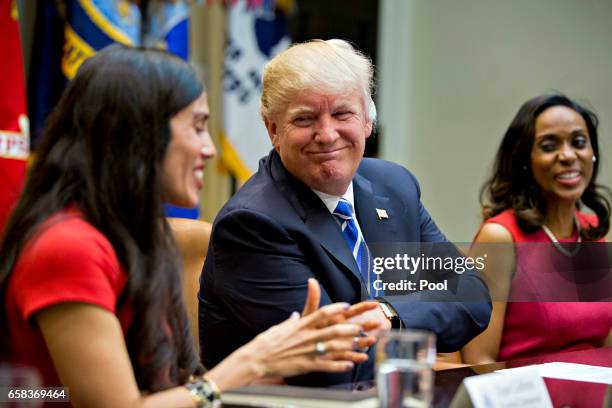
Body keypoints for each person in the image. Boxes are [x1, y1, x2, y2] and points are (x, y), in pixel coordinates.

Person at [0, 45, 381, 408]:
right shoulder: (69, 246)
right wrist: (253, 362)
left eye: (343, 114)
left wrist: (271, 369)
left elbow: (175, 387)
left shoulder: (135, 235)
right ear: (140, 136)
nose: (209, 148)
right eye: (197, 127)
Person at [200, 39, 492, 386]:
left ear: (367, 121)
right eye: (305, 119)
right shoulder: (252, 223)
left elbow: (472, 295)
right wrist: (423, 325)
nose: (326, 134)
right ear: (274, 130)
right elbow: (327, 364)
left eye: (342, 114)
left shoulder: (394, 186)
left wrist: (390, 315)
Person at [461, 94, 612, 366]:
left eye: (579, 142)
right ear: (524, 160)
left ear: (593, 153)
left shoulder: (600, 234)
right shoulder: (500, 237)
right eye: (549, 145)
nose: (568, 156)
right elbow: (479, 359)